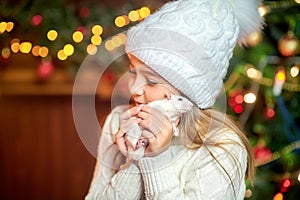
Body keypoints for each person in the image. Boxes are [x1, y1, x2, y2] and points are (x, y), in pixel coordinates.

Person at [85, 0, 264, 199]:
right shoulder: (118, 122)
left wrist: (157, 160)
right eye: (133, 73)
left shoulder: (221, 148)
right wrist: (137, 158)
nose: (134, 89)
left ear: (187, 94)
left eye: (151, 81)